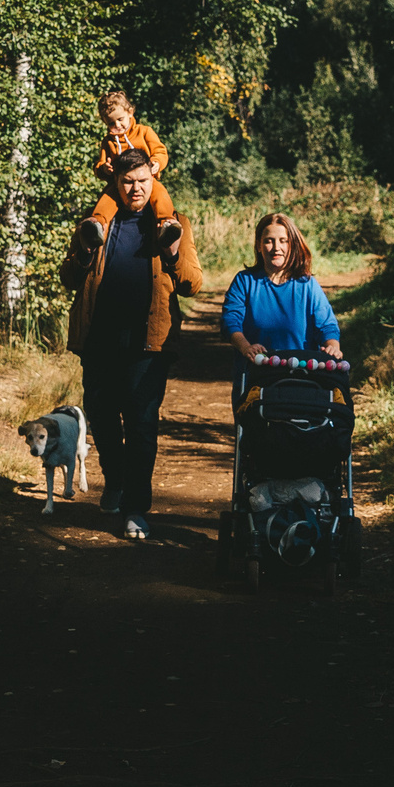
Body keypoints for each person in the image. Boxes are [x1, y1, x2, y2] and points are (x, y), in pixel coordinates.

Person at [57, 147, 203, 539]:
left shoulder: (174, 223)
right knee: (102, 416)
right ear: (116, 185)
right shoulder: (98, 224)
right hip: (100, 338)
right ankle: (116, 478)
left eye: (142, 181)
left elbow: (192, 283)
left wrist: (171, 249)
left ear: (152, 180)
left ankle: (136, 507)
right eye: (127, 182)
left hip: (149, 343)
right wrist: (86, 250)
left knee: (141, 424)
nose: (136, 188)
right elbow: (68, 277)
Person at [222, 212, 341, 368]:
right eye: (269, 241)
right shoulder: (244, 281)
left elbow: (327, 326)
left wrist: (333, 347)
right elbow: (230, 321)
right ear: (259, 245)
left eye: (283, 241)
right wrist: (246, 347)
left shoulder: (307, 284)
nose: (276, 248)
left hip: (302, 374)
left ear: (291, 245)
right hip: (255, 373)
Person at [90, 90, 173, 218]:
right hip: (119, 184)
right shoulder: (108, 142)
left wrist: (157, 162)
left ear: (130, 113)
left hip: (146, 178)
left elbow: (160, 151)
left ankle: (166, 221)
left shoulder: (144, 131)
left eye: (120, 119)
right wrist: (104, 168)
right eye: (111, 123)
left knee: (160, 195)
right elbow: (99, 165)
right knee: (106, 199)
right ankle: (98, 224)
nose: (117, 125)